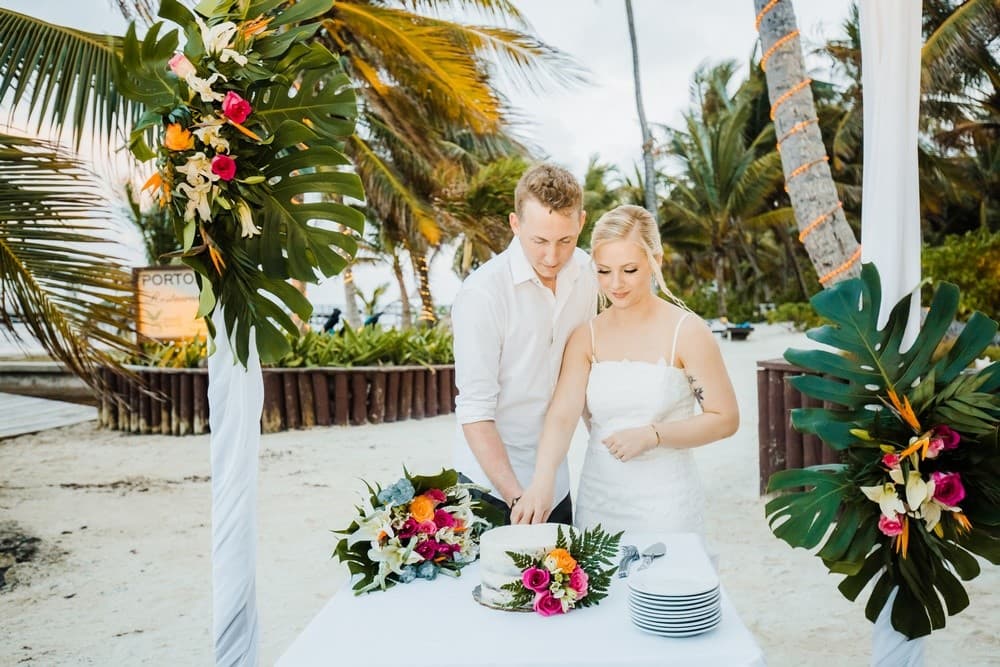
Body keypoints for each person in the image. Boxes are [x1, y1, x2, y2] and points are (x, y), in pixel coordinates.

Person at [511, 204, 739, 535]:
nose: (615, 284)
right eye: (603, 271)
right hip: (599, 500)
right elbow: (562, 416)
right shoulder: (585, 336)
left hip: (666, 504)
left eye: (629, 270)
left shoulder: (687, 332)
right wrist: (541, 483)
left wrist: (654, 435)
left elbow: (725, 418)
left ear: (655, 261)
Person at [451, 163, 598, 525]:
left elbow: (582, 373)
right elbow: (475, 411)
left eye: (565, 240)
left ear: (581, 222)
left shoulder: (589, 275)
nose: (552, 257)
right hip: (489, 486)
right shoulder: (481, 294)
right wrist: (519, 497)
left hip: (557, 483)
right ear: (516, 224)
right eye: (539, 241)